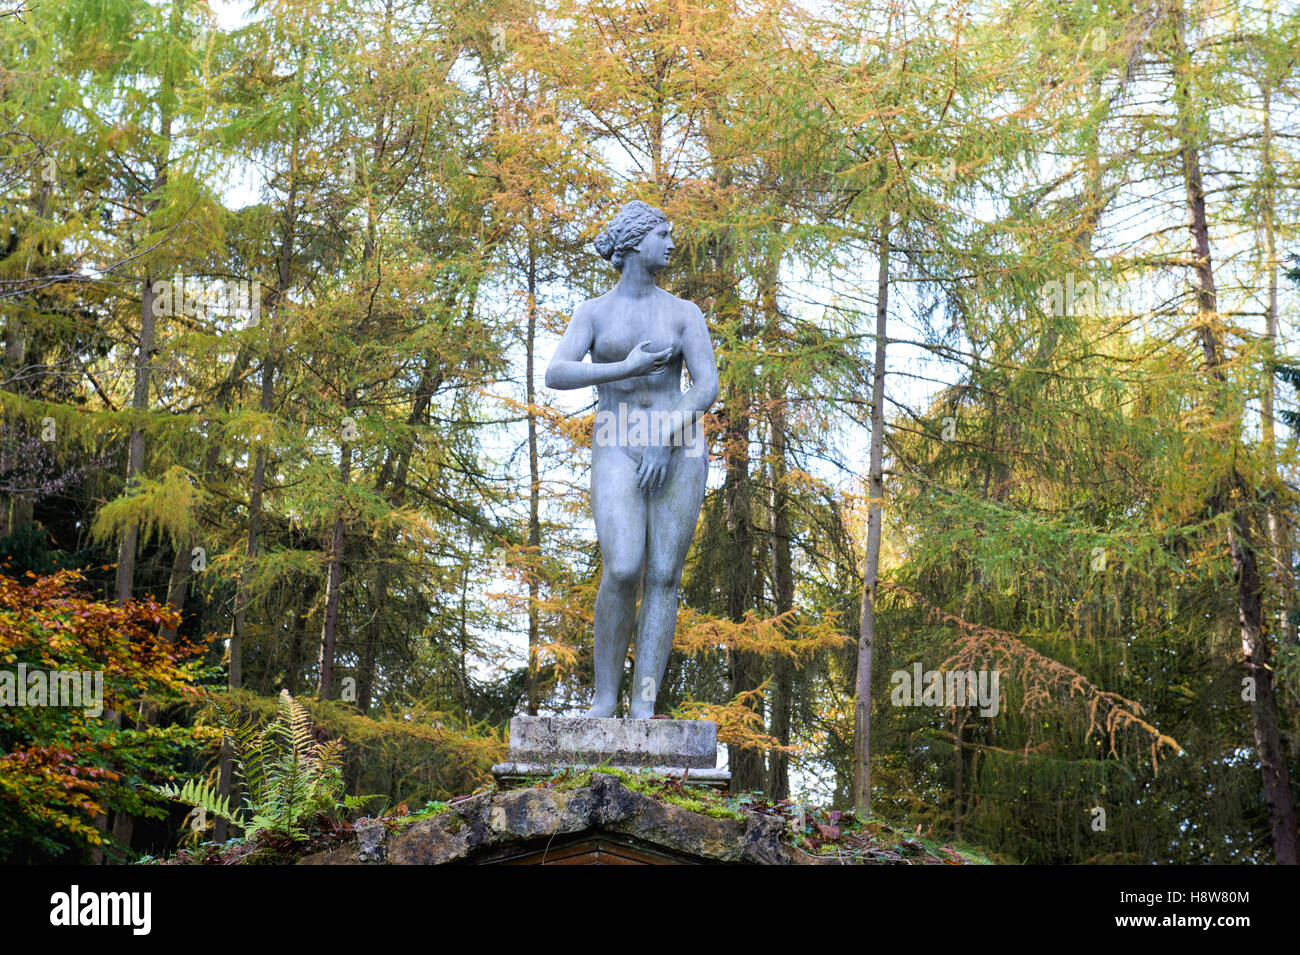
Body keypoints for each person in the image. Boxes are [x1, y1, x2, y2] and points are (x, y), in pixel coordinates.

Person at [544, 200, 719, 718]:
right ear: (635, 243)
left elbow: (706, 386)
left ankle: (643, 706)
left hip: (679, 442)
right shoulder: (594, 312)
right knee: (623, 567)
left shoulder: (685, 314)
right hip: (616, 435)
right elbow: (555, 373)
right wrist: (623, 366)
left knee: (664, 573)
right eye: (662, 234)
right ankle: (603, 701)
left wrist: (667, 436)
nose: (671, 242)